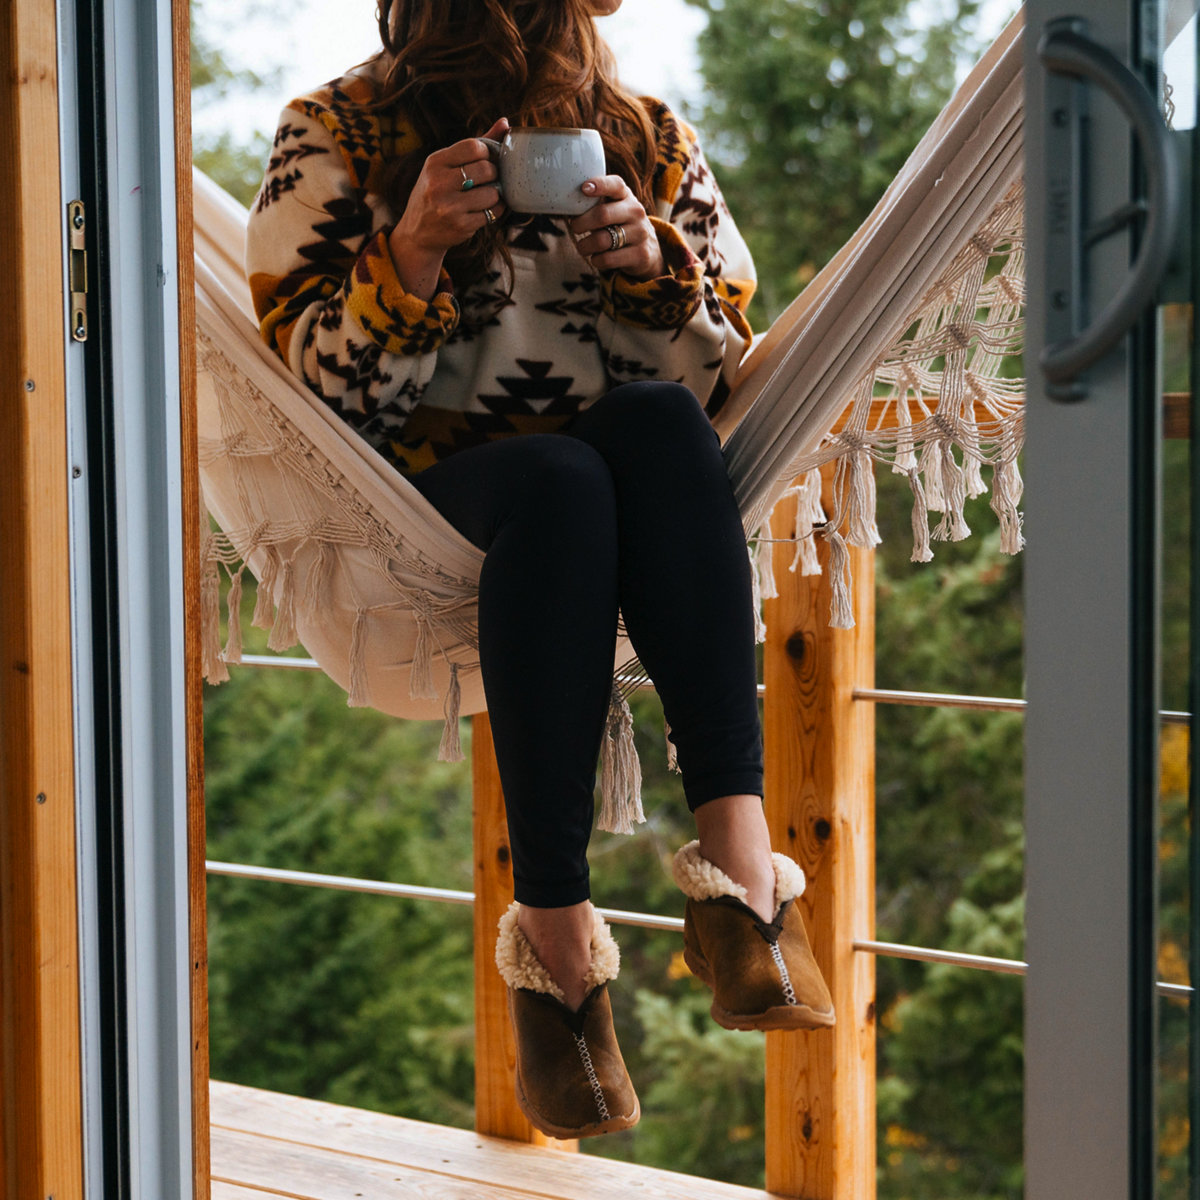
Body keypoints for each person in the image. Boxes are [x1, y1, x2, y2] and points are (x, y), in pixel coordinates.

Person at [246, 0, 833, 1141]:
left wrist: (650, 269)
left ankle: (744, 877)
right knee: (557, 475)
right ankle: (558, 945)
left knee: (660, 422)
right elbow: (312, 400)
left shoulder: (644, 135)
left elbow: (722, 379)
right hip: (423, 500)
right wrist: (409, 251)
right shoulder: (337, 134)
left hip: (625, 498)